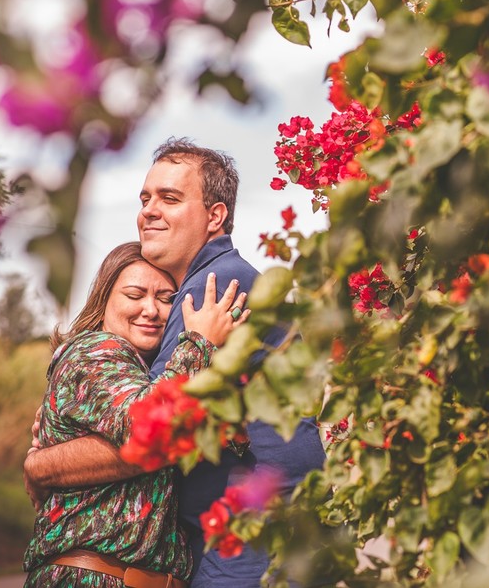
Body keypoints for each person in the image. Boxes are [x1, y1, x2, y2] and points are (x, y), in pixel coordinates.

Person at [24, 139, 326, 586]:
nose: (148, 209)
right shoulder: (106, 348)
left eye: (169, 198)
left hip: (252, 532)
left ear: (215, 216)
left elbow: (153, 431)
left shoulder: (214, 287)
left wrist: (42, 464)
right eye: (145, 198)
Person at [24, 241, 247, 587]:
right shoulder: (95, 350)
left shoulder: (148, 375)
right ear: (103, 300)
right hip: (92, 577)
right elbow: (145, 425)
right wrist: (200, 341)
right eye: (134, 295)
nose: (151, 310)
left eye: (165, 298)